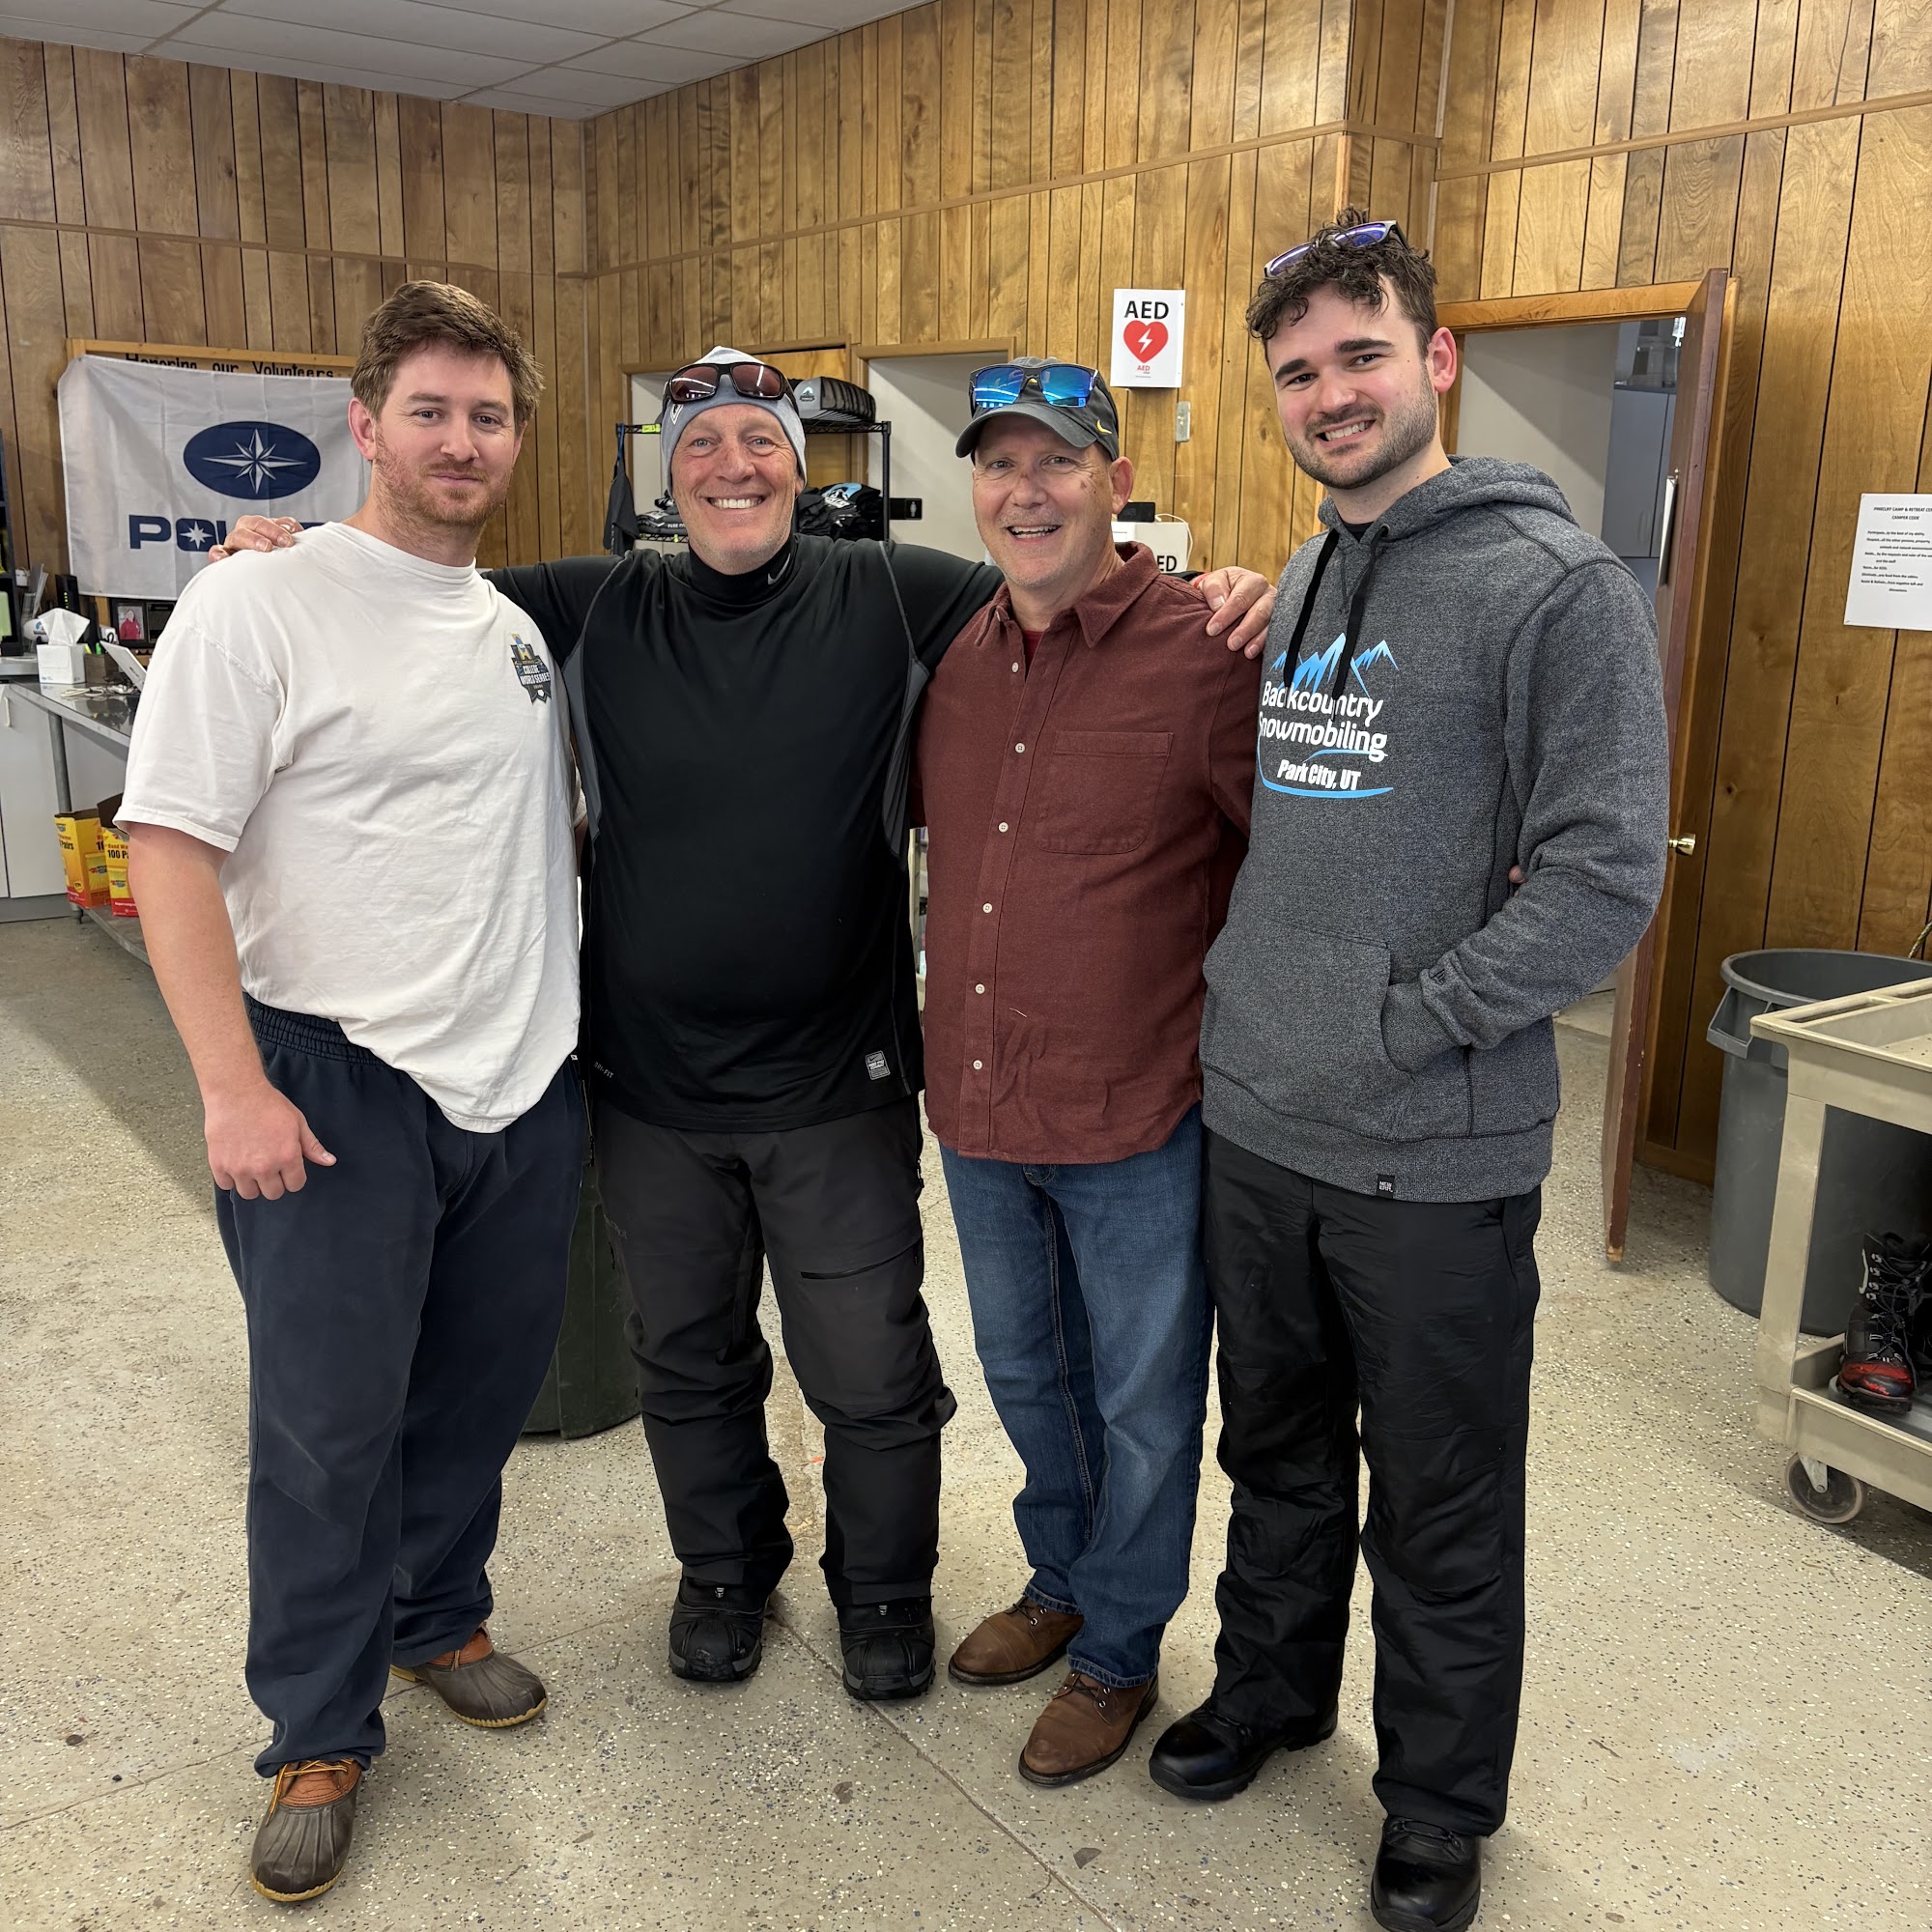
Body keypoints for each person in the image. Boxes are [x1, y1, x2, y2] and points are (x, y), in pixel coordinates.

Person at [217, 346, 1271, 1708]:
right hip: (647, 1088)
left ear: (800, 464)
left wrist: (1226, 585)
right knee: (686, 1361)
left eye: (760, 440)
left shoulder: (897, 594)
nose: (733, 464)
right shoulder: (588, 607)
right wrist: (294, 553)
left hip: (841, 1083)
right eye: (703, 442)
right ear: (670, 477)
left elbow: (1070, 593)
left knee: (873, 1371)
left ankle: (883, 1589)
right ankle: (723, 1573)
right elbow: (415, 583)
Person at [1143, 213, 1669, 1932]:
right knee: (1276, 1452)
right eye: (1298, 373)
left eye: (1361, 356)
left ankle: (1437, 1806)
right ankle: (1272, 1692)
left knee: (1441, 1506)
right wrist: (1272, 1021)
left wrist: (1407, 1022)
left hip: (1434, 1154)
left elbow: (1605, 874)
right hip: (1261, 1122)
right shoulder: (1304, 577)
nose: (1330, 394)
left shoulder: (1559, 591)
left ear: (1436, 360)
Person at [121, 283, 584, 1905]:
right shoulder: (257, 605)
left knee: (474, 1395)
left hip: (517, 1082)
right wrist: (230, 1087)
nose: (462, 441)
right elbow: (165, 845)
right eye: (431, 411)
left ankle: (434, 1615)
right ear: (365, 426)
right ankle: (316, 1730)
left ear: (516, 441)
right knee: (328, 1429)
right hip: (329, 1085)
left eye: (489, 416)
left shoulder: (515, 631)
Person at [916, 359, 1259, 1786]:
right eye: (999, 465)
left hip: (1138, 1111)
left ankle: (1119, 1646)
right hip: (981, 1101)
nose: (1026, 491)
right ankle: (1058, 1577)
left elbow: (1293, 866)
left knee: (1142, 1400)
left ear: (1116, 481)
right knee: (1022, 1370)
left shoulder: (1212, 651)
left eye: (1056, 461)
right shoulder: (956, 653)